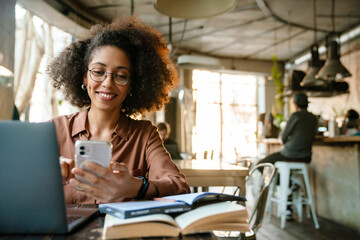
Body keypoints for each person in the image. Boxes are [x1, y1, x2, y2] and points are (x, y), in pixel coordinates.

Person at [46, 16, 190, 204]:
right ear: (84, 78)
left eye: (121, 75)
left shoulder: (144, 135)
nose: (107, 83)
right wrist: (44, 176)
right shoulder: (54, 130)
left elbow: (179, 187)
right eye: (98, 72)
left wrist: (138, 187)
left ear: (132, 86)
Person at [257, 92, 318, 166]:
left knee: (261, 164)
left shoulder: (295, 116)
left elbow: (283, 137)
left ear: (295, 104)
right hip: (306, 157)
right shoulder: (313, 118)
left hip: (290, 154)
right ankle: (286, 177)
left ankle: (278, 178)